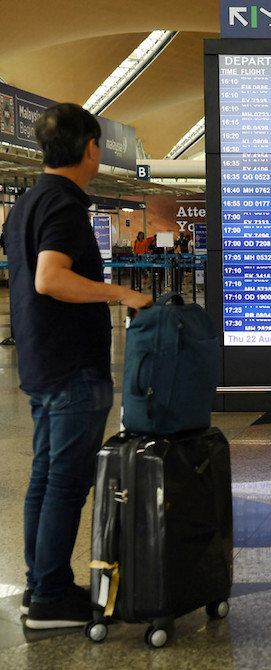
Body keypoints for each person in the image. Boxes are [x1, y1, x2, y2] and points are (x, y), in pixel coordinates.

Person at [6, 103, 152, 629]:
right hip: (71, 366)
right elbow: (50, 278)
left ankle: (42, 586)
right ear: (91, 148)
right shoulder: (65, 203)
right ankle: (50, 598)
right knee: (65, 483)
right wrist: (121, 294)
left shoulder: (27, 203)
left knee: (45, 479)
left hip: (43, 361)